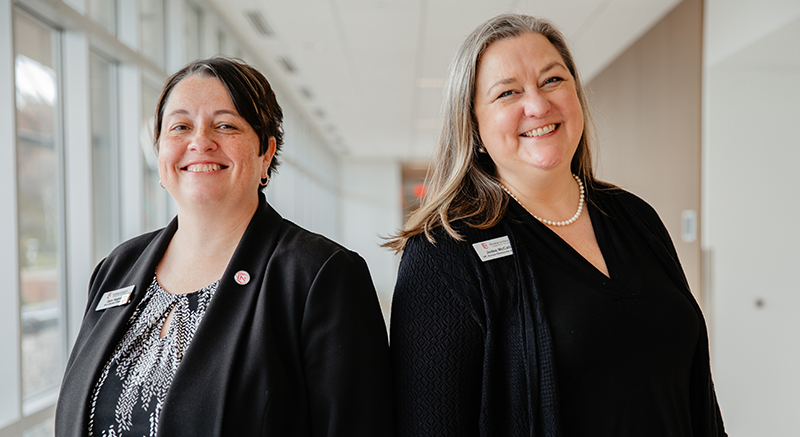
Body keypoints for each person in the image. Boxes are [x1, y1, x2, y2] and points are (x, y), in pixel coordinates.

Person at [386, 14, 726, 437]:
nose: (538, 105)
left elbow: (695, 392)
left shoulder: (635, 217)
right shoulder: (445, 252)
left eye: (552, 81)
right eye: (508, 92)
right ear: (473, 125)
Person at [55, 57, 393, 437]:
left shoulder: (319, 274)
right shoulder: (117, 267)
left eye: (225, 125)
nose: (200, 141)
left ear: (266, 152)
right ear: (161, 150)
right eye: (180, 126)